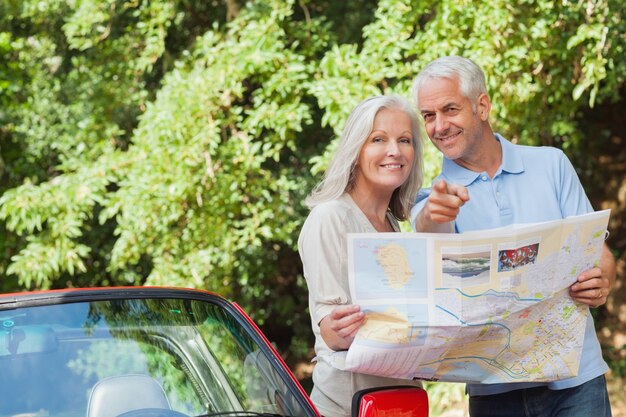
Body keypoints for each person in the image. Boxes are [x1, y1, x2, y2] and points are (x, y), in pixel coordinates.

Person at [411, 56, 616, 417]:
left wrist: (602, 280)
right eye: (429, 116)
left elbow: (597, 250)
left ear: (483, 106)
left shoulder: (551, 164)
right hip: (493, 391)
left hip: (576, 381)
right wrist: (434, 214)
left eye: (450, 109)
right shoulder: (433, 197)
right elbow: (428, 232)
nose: (439, 126)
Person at [298, 95, 424, 417]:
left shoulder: (395, 227)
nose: (394, 150)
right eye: (378, 139)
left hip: (402, 404)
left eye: (404, 140)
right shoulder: (331, 218)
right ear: (356, 150)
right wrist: (334, 330)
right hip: (348, 406)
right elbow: (329, 330)